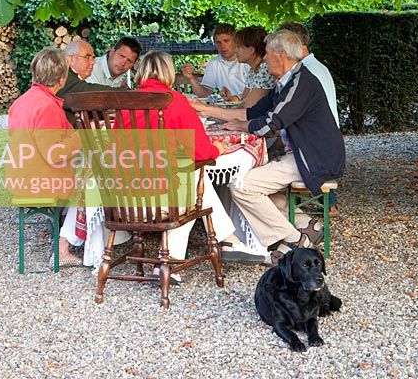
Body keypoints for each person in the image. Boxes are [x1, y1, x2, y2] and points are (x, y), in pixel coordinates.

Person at [113, 51, 265, 275]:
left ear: (141, 71)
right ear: (168, 73)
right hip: (162, 200)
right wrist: (217, 149)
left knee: (190, 179)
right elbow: (201, 150)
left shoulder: (125, 103)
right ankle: (223, 241)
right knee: (194, 176)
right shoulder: (174, 101)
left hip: (124, 200)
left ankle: (224, 241)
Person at [223, 30, 345, 263]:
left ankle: (292, 239)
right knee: (251, 181)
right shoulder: (288, 81)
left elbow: (270, 123)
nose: (265, 58)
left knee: (241, 185)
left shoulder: (301, 82)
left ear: (280, 55)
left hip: (313, 158)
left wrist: (239, 126)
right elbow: (257, 111)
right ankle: (305, 223)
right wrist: (213, 113)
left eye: (267, 53)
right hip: (304, 154)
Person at [8, 47, 83, 268]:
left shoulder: (22, 101)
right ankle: (63, 250)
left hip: (21, 175)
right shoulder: (47, 107)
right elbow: (55, 154)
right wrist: (82, 138)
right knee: (93, 186)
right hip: (39, 181)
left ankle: (68, 236)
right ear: (62, 78)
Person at [191, 26, 275, 116]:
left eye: (238, 46)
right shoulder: (253, 70)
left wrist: (208, 110)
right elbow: (243, 104)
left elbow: (248, 111)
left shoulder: (264, 70)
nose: (236, 50)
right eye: (218, 42)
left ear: (251, 50)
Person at [277, 21, 339, 127]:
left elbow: (284, 118)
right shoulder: (316, 67)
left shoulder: (306, 72)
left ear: (290, 44)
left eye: (279, 45)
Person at [58, 40, 118, 126]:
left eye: (93, 58)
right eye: (87, 57)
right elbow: (91, 92)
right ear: (70, 59)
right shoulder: (65, 78)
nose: (93, 62)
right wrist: (131, 94)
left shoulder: (73, 78)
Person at [180, 24, 249, 99]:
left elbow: (258, 93)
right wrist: (191, 78)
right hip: (226, 108)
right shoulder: (214, 63)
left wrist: (236, 98)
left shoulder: (247, 60)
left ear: (235, 41)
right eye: (218, 42)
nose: (222, 46)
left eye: (226, 41)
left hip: (249, 107)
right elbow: (203, 94)